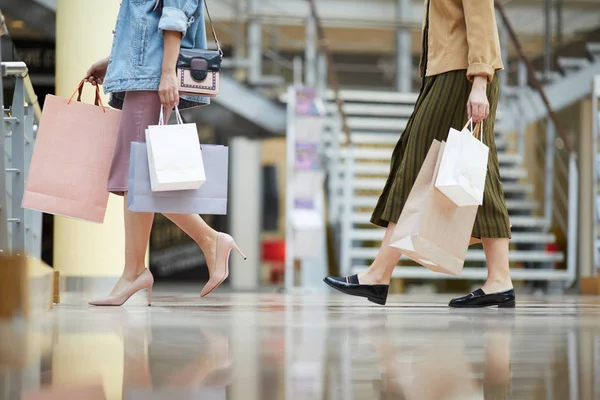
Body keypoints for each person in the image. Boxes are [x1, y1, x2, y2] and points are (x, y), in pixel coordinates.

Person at [324, 0, 514, 308]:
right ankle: (499, 279)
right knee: (480, 174)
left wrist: (480, 81)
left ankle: (378, 274)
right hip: (446, 76)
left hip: (462, 78)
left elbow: (482, 18)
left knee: (414, 167)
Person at [84, 0, 245, 306]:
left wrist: (168, 73)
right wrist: (113, 60)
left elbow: (175, 15)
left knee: (140, 176)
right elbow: (145, 20)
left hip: (154, 76)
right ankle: (140, 268)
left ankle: (205, 242)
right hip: (145, 73)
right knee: (139, 176)